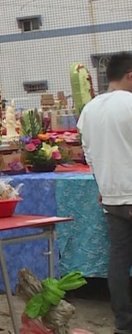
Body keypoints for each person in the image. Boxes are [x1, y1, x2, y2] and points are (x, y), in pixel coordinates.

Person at [76, 52, 132, 334]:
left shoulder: (89, 110)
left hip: (112, 196)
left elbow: (90, 156)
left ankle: (124, 325)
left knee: (120, 259)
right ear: (130, 75)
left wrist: (103, 185)